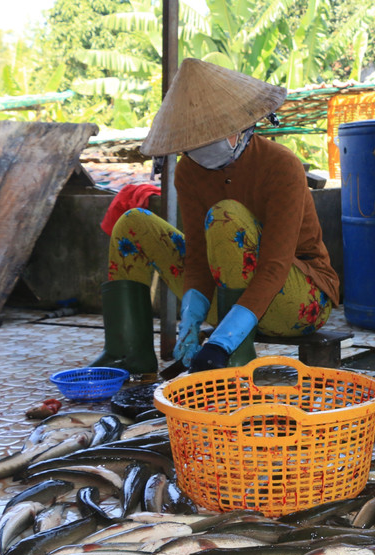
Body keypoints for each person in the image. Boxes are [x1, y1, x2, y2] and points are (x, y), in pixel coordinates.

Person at [90, 58, 339, 375]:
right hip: (223, 296)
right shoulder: (188, 171)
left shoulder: (281, 165)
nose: (202, 145)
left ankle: (237, 354)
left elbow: (275, 264)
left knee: (225, 215)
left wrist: (221, 343)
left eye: (213, 133)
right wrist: (191, 320)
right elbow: (197, 257)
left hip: (297, 299)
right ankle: (126, 354)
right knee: (133, 223)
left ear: (242, 126)